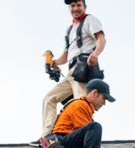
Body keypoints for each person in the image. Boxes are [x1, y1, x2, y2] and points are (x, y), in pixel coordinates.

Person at [41, 0, 106, 137]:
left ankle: (85, 137)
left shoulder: (90, 20)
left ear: (84, 6)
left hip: (83, 68)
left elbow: (101, 39)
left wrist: (95, 54)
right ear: (69, 8)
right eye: (72, 6)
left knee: (80, 103)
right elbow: (65, 56)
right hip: (72, 71)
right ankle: (47, 136)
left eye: (78, 5)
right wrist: (54, 63)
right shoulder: (70, 30)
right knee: (49, 98)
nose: (75, 8)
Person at [47, 79, 128, 148]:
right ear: (94, 93)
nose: (104, 103)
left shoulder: (86, 109)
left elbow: (89, 143)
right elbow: (89, 135)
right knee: (95, 127)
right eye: (104, 98)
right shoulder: (79, 105)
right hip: (60, 147)